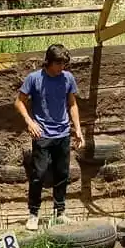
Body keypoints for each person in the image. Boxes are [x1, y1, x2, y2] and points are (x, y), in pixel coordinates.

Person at [14, 44, 85, 230]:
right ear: (49, 62)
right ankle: (33, 214)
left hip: (62, 133)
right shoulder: (34, 79)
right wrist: (30, 122)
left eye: (64, 64)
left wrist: (77, 128)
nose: (62, 67)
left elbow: (72, 104)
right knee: (39, 174)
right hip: (42, 134)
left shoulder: (67, 78)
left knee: (62, 174)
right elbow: (19, 102)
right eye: (59, 64)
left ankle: (59, 213)